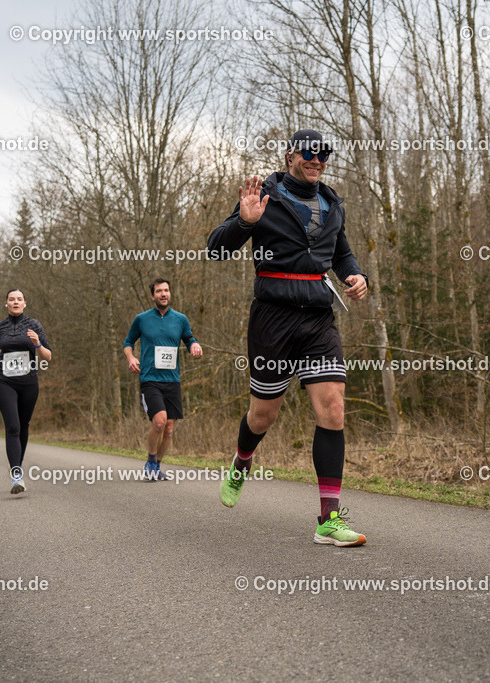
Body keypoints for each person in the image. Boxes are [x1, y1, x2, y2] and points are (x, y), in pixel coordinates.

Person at [207, 129, 370, 547]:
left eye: (324, 155)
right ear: (290, 155)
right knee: (263, 416)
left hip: (318, 318)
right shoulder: (265, 194)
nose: (317, 161)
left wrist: (356, 275)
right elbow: (216, 249)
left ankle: (328, 519)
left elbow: (342, 253)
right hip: (273, 319)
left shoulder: (333, 203)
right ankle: (242, 462)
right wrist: (244, 222)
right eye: (309, 154)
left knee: (333, 409)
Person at [123, 278, 202, 481]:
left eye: (166, 290)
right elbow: (128, 342)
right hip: (150, 378)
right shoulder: (141, 319)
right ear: (153, 296)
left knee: (169, 428)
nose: (163, 294)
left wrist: (194, 345)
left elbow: (189, 338)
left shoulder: (180, 319)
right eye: (159, 291)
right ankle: (149, 462)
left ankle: (157, 466)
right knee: (159, 422)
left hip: (172, 379)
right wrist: (131, 358)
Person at [0, 288, 52, 494]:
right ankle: (16, 475)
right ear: (6, 303)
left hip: (29, 382)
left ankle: (17, 469)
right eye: (11, 299)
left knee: (23, 425)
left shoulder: (34, 325)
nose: (15, 302)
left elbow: (48, 356)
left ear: (24, 303)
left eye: (19, 299)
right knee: (12, 426)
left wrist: (37, 344)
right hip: (5, 381)